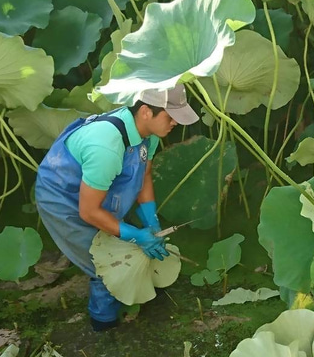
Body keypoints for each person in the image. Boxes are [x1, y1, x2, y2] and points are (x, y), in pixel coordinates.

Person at [35, 84, 199, 331]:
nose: (176, 122)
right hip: (62, 196)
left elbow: (143, 176)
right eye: (171, 116)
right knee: (105, 264)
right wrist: (134, 235)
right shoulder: (106, 147)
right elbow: (88, 212)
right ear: (146, 111)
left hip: (95, 187)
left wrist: (151, 220)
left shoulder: (150, 133)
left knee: (120, 240)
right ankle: (103, 327)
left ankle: (138, 293)